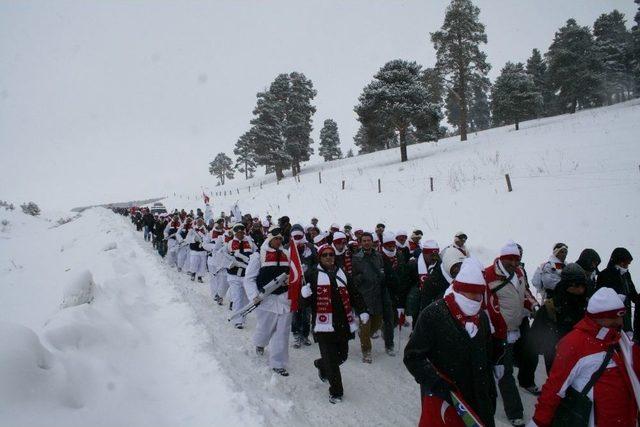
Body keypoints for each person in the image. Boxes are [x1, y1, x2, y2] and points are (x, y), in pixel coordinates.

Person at [404, 258, 498, 427]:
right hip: (446, 401)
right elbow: (412, 357)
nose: (477, 299)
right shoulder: (433, 314)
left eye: (480, 294)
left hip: (478, 402)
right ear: (460, 290)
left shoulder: (482, 318)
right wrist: (436, 383)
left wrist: (491, 393)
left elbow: (485, 358)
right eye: (472, 293)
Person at [529, 287, 638, 427]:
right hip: (597, 420)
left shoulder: (619, 339)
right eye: (615, 317)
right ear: (600, 317)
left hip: (625, 418)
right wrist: (539, 421)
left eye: (621, 316)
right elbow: (554, 387)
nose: (621, 322)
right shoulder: (575, 343)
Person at [300, 244, 368, 403]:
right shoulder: (311, 274)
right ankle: (336, 392)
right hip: (323, 325)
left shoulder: (342, 272)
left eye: (331, 254)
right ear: (320, 257)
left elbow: (354, 294)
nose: (329, 257)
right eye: (325, 255)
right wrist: (304, 295)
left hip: (343, 323)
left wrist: (363, 310)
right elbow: (303, 304)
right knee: (332, 360)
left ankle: (321, 364)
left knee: (342, 356)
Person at [484, 241, 527, 427]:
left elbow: (525, 294)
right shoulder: (488, 274)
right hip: (498, 332)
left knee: (503, 368)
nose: (513, 263)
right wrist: (496, 329)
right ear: (502, 258)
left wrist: (532, 305)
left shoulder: (519, 273)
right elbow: (486, 306)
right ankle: (515, 412)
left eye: (516, 259)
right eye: (510, 259)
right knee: (504, 371)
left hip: (516, 329)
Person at [244, 228, 293, 376]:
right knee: (265, 328)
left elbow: (293, 274)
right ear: (270, 239)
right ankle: (260, 343)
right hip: (266, 299)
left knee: (282, 332)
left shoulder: (287, 254)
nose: (278, 241)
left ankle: (278, 363)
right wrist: (254, 295)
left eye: (280, 239)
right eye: (276, 238)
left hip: (284, 298)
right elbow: (249, 278)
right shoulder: (258, 256)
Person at [529, 263, 589, 373]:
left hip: (583, 361)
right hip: (556, 360)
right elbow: (533, 343)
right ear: (567, 285)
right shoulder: (550, 307)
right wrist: (527, 376)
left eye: (583, 285)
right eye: (576, 285)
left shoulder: (588, 305)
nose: (581, 289)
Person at [352, 232, 390, 363]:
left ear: (372, 242)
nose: (367, 242)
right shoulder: (356, 257)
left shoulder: (378, 256)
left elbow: (382, 270)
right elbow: (353, 277)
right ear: (360, 242)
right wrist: (360, 277)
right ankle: (366, 351)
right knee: (365, 324)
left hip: (377, 295)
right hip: (364, 296)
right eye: (364, 240)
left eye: (369, 240)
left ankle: (363, 334)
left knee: (377, 323)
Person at [596, 248, 636, 338]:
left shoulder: (626, 275)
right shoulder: (604, 275)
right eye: (625, 263)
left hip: (626, 315)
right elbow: (601, 298)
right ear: (619, 261)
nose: (626, 266)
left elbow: (632, 293)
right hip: (611, 318)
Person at [225, 223, 255, 328]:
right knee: (238, 298)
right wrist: (230, 264)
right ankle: (238, 321)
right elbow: (223, 257)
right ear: (235, 233)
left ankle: (242, 316)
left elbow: (256, 255)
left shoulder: (250, 242)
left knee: (246, 299)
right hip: (234, 275)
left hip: (247, 275)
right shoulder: (229, 243)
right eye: (238, 232)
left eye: (242, 232)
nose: (241, 234)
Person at [290, 224, 315, 348]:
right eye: (295, 236)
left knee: (306, 311)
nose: (298, 238)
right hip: (294, 284)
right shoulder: (287, 248)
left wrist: (309, 271)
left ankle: (305, 334)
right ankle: (296, 333)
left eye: (300, 236)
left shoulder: (310, 248)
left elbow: (316, 263)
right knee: (296, 310)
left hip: (307, 284)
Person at [186, 217, 208, 282]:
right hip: (194, 250)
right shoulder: (192, 229)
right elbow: (187, 238)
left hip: (202, 250)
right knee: (194, 263)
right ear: (196, 222)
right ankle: (193, 274)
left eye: (201, 222)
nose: (200, 223)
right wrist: (194, 239)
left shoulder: (205, 230)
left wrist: (204, 240)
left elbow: (207, 238)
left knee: (202, 265)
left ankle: (200, 277)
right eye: (198, 222)